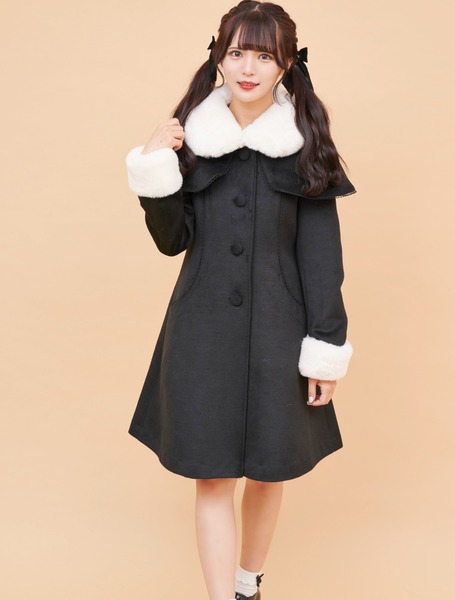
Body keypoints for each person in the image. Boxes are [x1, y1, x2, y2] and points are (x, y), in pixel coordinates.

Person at [125, 1, 356, 598]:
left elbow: (322, 259)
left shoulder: (304, 146)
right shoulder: (191, 138)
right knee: (211, 475)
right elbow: (171, 241)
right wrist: (155, 163)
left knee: (270, 471)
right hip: (201, 333)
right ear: (219, 58)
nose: (248, 68)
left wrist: (326, 347)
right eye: (237, 53)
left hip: (281, 333)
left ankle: (247, 583)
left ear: (287, 65)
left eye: (264, 56)